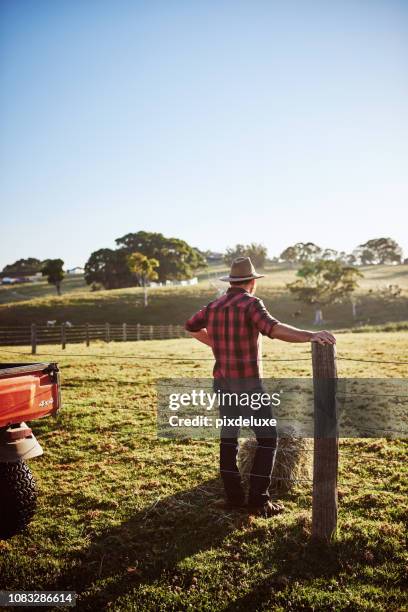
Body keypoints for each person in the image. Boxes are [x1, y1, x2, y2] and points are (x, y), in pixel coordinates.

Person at [185, 256, 336, 517]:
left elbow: (190, 327)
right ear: (252, 282)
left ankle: (234, 498)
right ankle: (258, 500)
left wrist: (215, 344)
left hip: (222, 384)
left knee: (228, 440)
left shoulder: (214, 305)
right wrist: (311, 335)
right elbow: (274, 329)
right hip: (249, 388)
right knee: (267, 439)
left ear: (232, 281)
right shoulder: (251, 304)